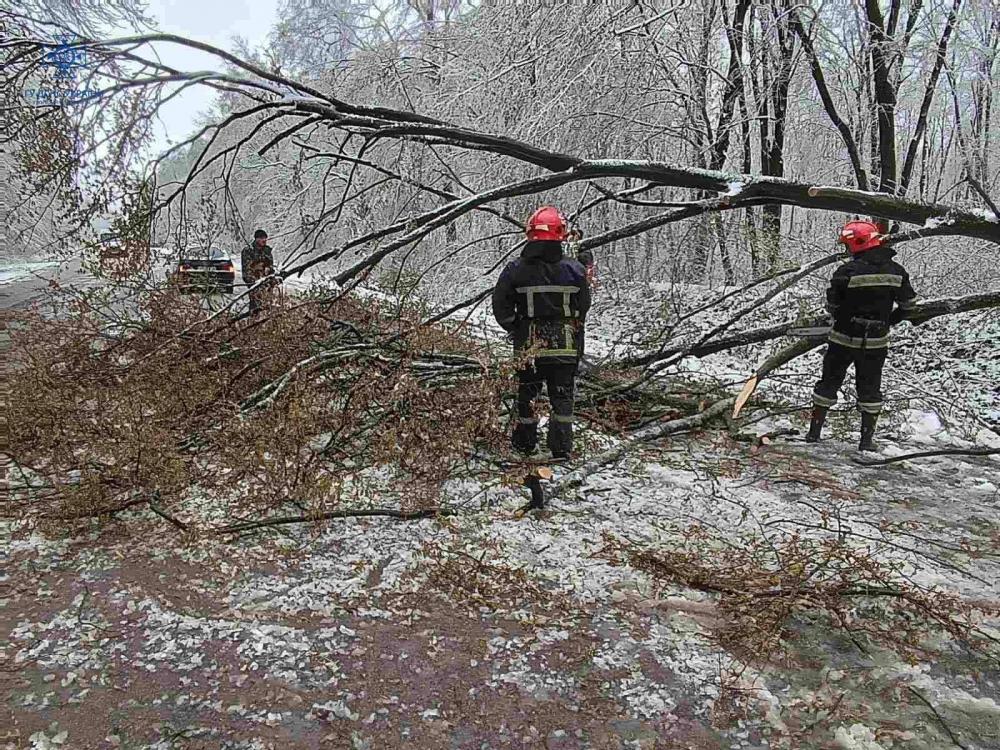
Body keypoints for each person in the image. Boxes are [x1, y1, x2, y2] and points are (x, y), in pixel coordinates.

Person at [806, 220, 918, 451]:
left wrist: (843, 315)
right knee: (870, 389)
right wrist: (889, 321)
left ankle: (813, 434)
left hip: (842, 340)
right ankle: (866, 442)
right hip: (876, 343)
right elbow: (909, 305)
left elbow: (832, 305)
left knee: (828, 384)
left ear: (856, 244)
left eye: (847, 245)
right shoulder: (897, 271)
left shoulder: (846, 272)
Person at [492, 206, 591, 459]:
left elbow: (500, 305)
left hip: (529, 346)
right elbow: (583, 307)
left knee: (527, 395)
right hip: (565, 345)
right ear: (561, 234)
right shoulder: (575, 270)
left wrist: (516, 327)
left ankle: (524, 445)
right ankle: (561, 449)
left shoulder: (515, 269)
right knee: (562, 398)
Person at [241, 229, 275, 316]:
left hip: (267, 284)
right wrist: (254, 283)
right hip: (255, 284)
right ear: (256, 239)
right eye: (262, 238)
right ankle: (254, 321)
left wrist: (271, 278)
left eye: (265, 238)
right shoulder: (248, 251)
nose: (264, 240)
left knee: (268, 307)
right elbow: (246, 271)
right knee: (255, 307)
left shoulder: (267, 251)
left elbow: (271, 267)